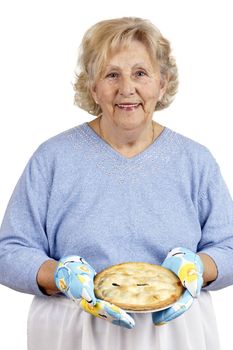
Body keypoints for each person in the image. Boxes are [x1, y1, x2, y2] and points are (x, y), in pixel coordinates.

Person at [0, 17, 232, 350]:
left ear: (162, 83)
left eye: (140, 73)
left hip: (175, 333)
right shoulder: (53, 158)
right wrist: (60, 276)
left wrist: (200, 267)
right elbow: (9, 252)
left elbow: (229, 245)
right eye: (111, 75)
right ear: (92, 87)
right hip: (76, 331)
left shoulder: (195, 161)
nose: (127, 89)